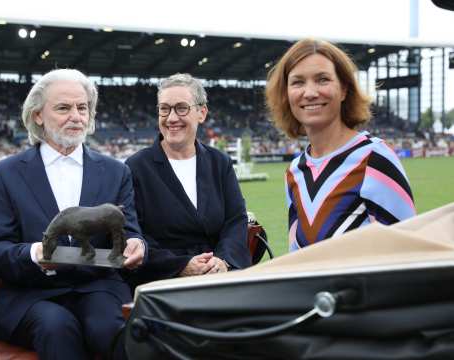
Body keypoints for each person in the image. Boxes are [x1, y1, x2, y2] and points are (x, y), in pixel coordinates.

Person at [0, 68, 146, 360]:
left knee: (109, 328)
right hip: (31, 293)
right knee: (57, 328)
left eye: (82, 107)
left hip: (99, 286)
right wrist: (36, 254)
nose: (76, 115)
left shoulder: (116, 171)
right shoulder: (3, 174)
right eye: (63, 107)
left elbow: (130, 231)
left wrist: (137, 245)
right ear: (37, 116)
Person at [265, 38, 416, 252]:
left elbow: (408, 254)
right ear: (286, 94)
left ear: (344, 89)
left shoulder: (374, 158)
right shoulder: (294, 172)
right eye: (298, 82)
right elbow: (297, 257)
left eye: (323, 79)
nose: (310, 92)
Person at [125, 73, 251, 286]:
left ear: (201, 113)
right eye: (164, 109)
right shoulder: (136, 167)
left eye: (181, 108)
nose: (171, 118)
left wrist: (224, 261)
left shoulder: (219, 162)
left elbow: (235, 220)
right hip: (164, 281)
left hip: (219, 277)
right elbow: (135, 233)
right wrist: (181, 265)